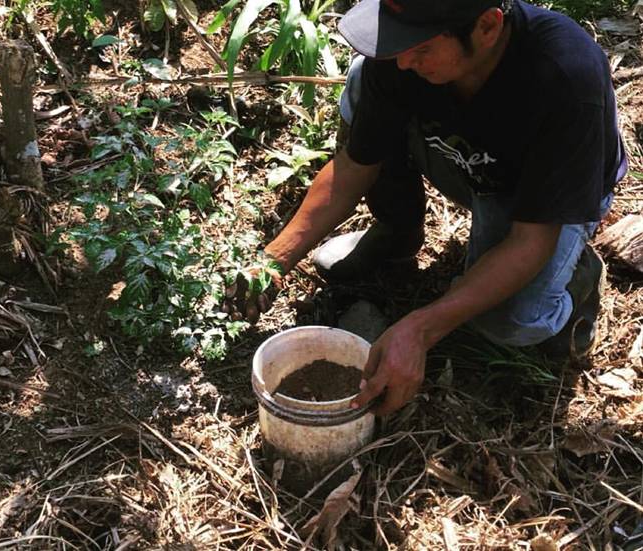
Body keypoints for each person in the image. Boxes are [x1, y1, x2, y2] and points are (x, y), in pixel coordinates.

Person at [252, 0, 628, 415]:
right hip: (463, 157)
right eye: (399, 43)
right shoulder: (406, 52)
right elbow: (353, 168)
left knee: (510, 320)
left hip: (539, 198)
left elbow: (529, 242)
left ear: (487, 26)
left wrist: (420, 329)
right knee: (366, 79)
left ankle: (577, 279)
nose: (402, 60)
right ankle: (397, 230)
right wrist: (273, 261)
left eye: (421, 48)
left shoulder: (563, 76)